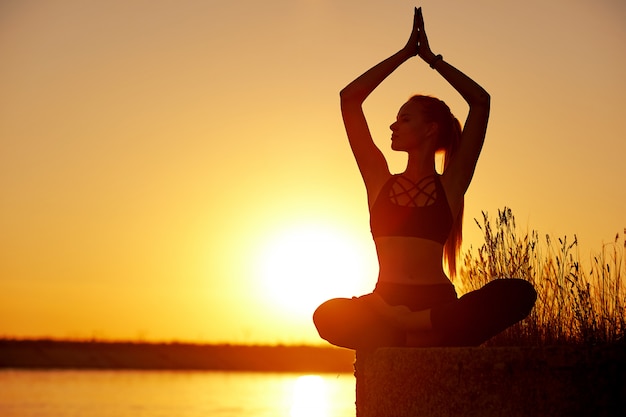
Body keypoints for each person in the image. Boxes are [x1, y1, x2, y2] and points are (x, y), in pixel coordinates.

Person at [313, 8, 536, 349]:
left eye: (404, 119)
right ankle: (419, 331)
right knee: (326, 315)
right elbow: (350, 99)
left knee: (520, 294)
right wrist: (404, 55)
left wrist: (433, 60)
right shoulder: (378, 179)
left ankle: (406, 328)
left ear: (431, 129)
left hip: (438, 304)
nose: (393, 126)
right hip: (385, 301)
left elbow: (480, 102)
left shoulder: (451, 184)